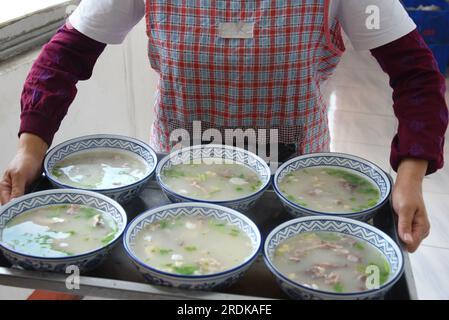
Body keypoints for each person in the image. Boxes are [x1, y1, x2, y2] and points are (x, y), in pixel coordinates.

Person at [0, 0, 447, 253]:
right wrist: (30, 148)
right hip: (176, 185)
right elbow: (64, 58)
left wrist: (410, 176)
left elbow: (415, 75)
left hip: (297, 188)